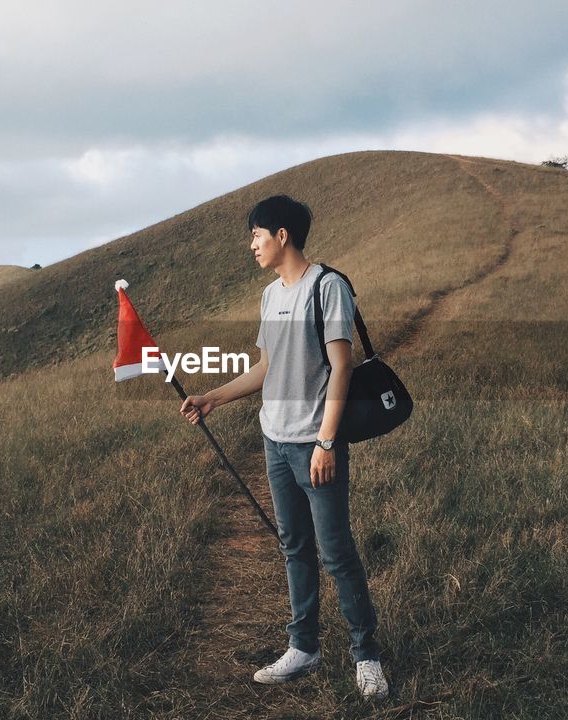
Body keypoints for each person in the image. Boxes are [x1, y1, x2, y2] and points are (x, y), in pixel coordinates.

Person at [179, 194, 388, 702]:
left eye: (255, 235)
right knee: (294, 547)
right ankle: (304, 647)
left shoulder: (327, 287)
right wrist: (214, 397)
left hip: (315, 445)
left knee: (337, 552)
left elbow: (342, 367)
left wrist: (326, 442)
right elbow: (267, 367)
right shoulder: (271, 296)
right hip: (275, 440)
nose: (251, 245)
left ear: (282, 235)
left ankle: (367, 656)